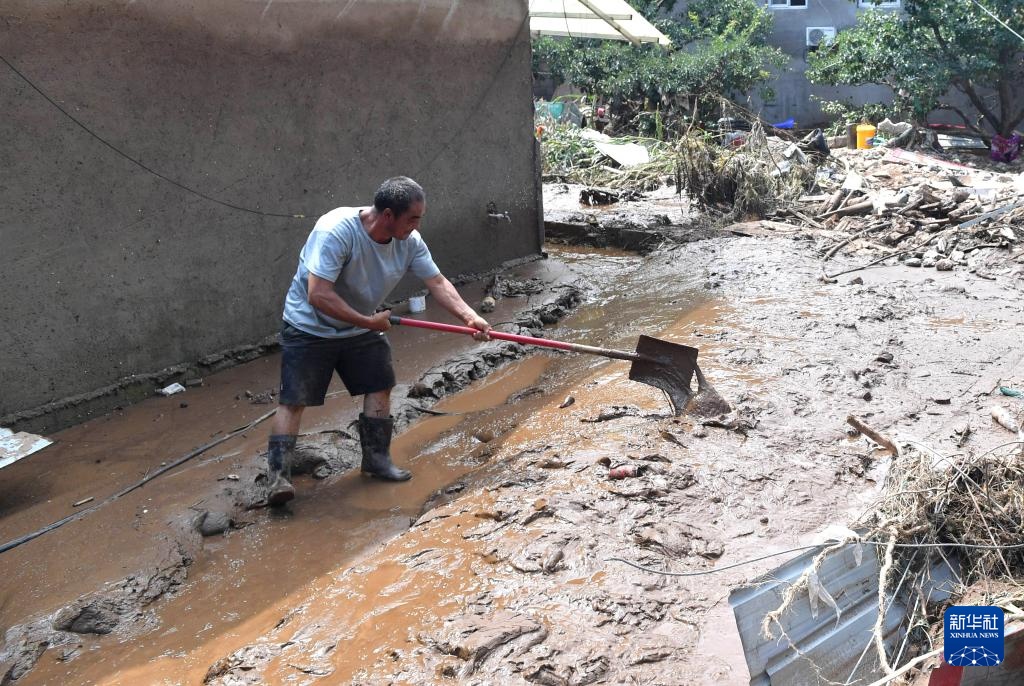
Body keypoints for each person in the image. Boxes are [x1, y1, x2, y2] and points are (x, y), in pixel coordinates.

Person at [265, 176, 491, 506]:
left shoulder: (410, 241)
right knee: (294, 399)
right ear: (387, 215)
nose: (416, 226)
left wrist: (470, 316)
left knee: (380, 384)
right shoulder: (336, 231)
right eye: (412, 218)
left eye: (419, 218)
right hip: (310, 326)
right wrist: (369, 321)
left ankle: (376, 459)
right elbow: (318, 294)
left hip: (361, 324)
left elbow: (437, 281)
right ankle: (277, 478)